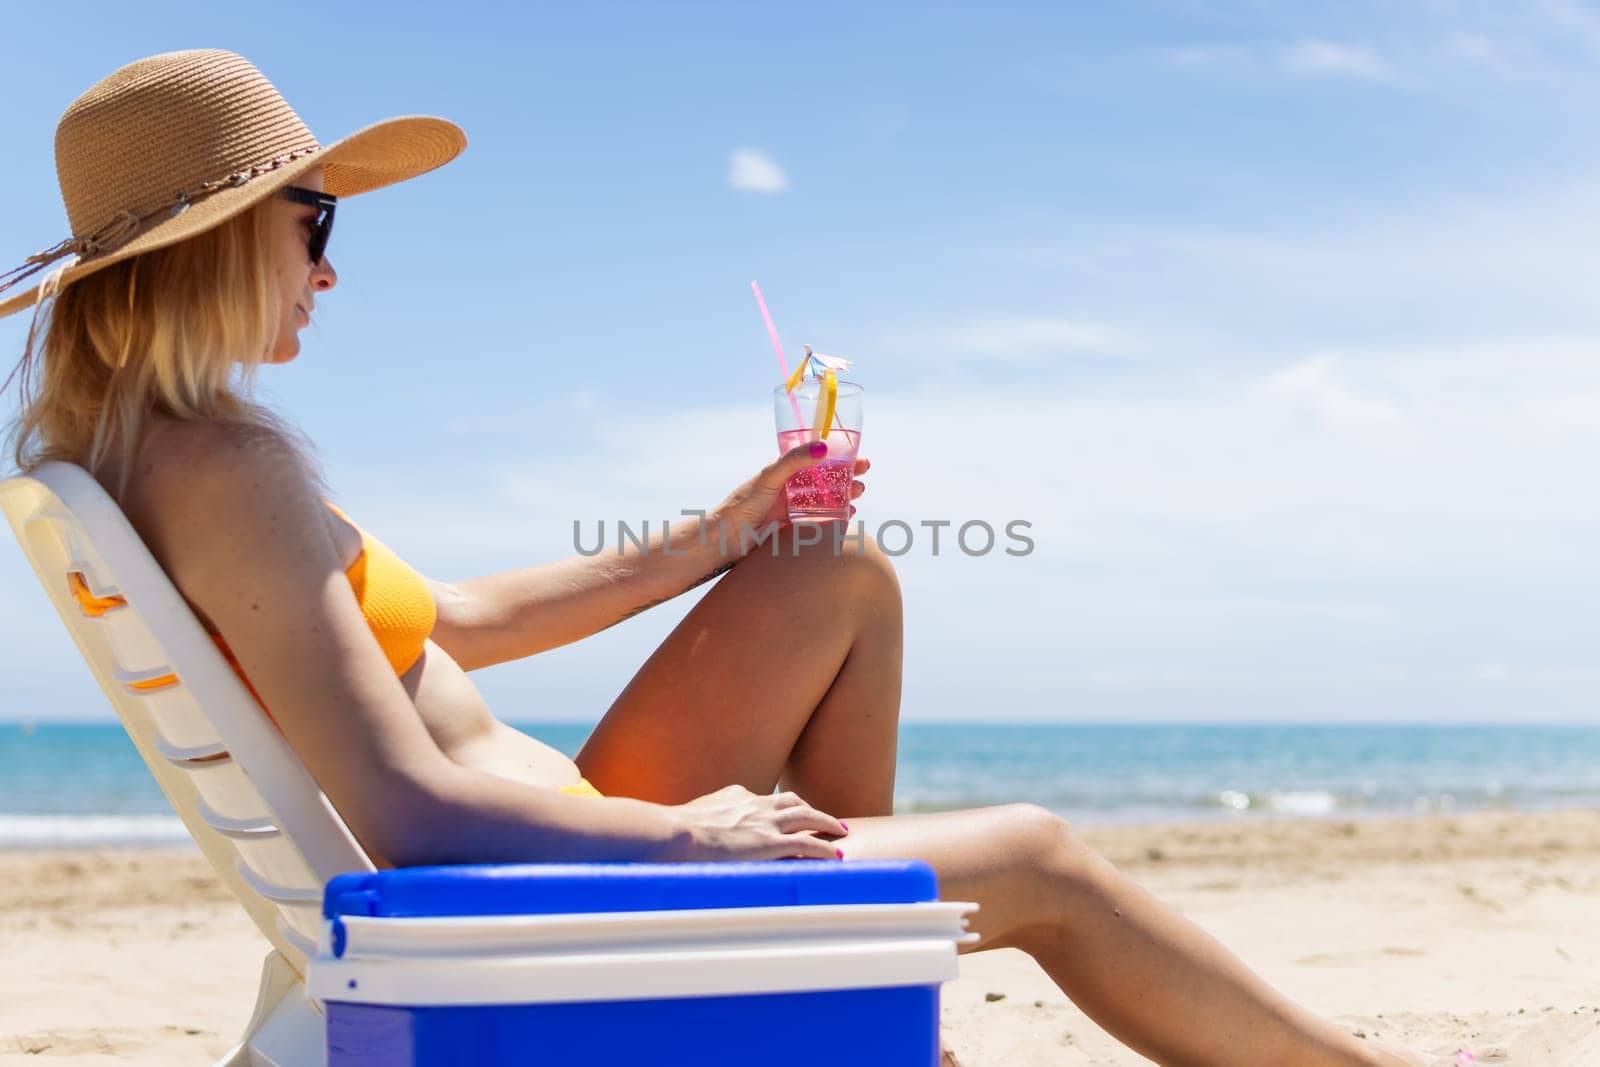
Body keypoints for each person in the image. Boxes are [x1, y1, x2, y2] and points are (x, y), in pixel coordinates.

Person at [0, 50, 1431, 1067]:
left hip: (541, 829)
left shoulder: (150, 454)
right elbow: (407, 806)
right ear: (208, 244)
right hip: (513, 879)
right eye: (313, 224)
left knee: (833, 572)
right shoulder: (232, 467)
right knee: (1045, 859)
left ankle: (858, 974)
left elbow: (462, 625)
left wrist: (727, 532)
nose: (328, 267)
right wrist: (700, 834)